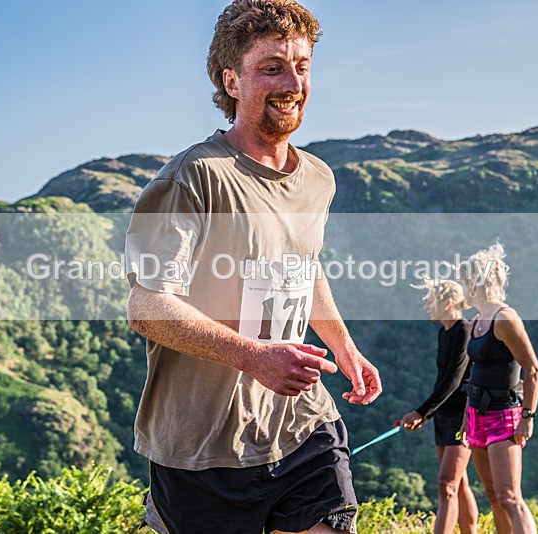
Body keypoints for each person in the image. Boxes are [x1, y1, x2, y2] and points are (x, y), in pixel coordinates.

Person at [125, 1, 382, 532]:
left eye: (302, 65)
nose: (292, 82)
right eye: (272, 68)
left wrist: (343, 345)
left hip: (299, 425)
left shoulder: (318, 178)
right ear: (232, 82)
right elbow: (147, 306)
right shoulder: (191, 179)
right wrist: (253, 356)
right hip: (203, 450)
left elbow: (303, 266)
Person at [458, 243, 538, 534]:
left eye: (465, 281)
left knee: (510, 497)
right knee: (493, 496)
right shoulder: (478, 321)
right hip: (477, 416)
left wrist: (527, 418)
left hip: (504, 417)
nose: (462, 288)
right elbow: (475, 371)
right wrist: (467, 419)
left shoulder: (505, 319)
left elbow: (533, 369)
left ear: (476, 283)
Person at [401, 279, 478, 534]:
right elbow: (442, 380)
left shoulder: (464, 330)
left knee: (446, 485)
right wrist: (427, 414)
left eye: (430, 300)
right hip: (443, 415)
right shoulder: (444, 332)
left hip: (462, 417)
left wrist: (422, 411)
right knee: (458, 483)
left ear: (446, 303)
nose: (426, 306)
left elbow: (454, 380)